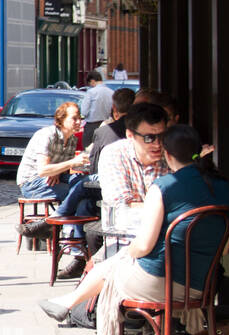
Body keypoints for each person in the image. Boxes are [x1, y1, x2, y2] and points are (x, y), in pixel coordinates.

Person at [64, 125, 229, 335]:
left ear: (167, 155)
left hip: (157, 282)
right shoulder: (227, 189)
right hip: (200, 286)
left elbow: (144, 246)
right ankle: (67, 304)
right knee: (115, 268)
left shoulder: (164, 186)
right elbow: (224, 249)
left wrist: (127, 254)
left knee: (112, 277)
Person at [38, 101, 172, 321]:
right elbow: (122, 205)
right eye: (149, 138)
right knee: (119, 252)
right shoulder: (115, 155)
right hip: (130, 237)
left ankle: (71, 302)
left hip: (162, 244)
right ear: (130, 135)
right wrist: (159, 209)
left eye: (161, 137)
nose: (157, 144)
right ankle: (116, 325)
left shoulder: (170, 154)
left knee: (120, 258)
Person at [15, 101, 85, 209]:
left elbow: (63, 168)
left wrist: (57, 171)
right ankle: (54, 222)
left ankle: (68, 221)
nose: (79, 122)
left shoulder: (72, 139)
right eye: (74, 118)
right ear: (61, 119)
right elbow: (43, 170)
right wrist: (73, 162)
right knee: (77, 192)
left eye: (80, 118)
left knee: (85, 183)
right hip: (31, 182)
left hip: (53, 178)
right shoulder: (47, 135)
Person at [80, 70, 113, 138]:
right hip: (108, 125)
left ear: (92, 81)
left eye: (90, 84)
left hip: (92, 126)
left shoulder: (91, 92)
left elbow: (84, 112)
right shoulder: (111, 92)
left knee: (89, 147)